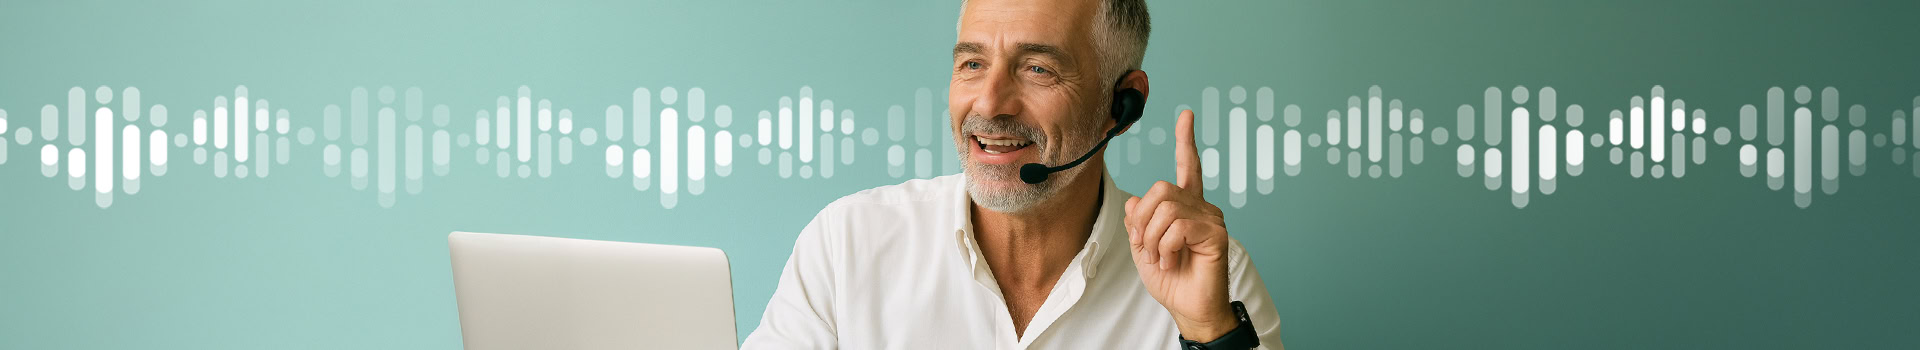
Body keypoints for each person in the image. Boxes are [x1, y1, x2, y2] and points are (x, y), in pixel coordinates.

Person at [742, 0, 1282, 348]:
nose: (990, 103)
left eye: (1037, 68)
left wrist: (1210, 334)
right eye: (972, 63)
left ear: (1124, 104)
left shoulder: (1212, 279)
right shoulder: (846, 246)